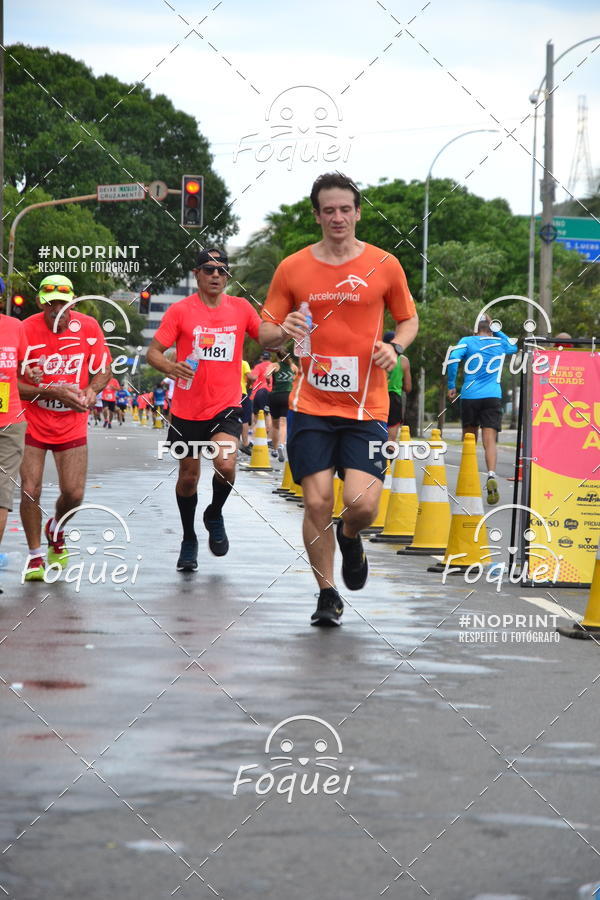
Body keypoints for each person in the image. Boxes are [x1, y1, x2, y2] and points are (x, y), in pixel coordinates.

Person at [259, 172, 418, 626]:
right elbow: (266, 329)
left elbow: (408, 320)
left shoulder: (384, 264)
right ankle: (327, 594)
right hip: (310, 405)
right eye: (328, 210)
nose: (337, 217)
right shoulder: (292, 267)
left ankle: (350, 536)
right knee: (315, 502)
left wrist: (396, 346)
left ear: (358, 212)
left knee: (363, 504)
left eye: (345, 209)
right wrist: (281, 330)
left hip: (367, 407)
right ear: (317, 215)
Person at [146, 248, 261, 572]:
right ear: (196, 274)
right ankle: (188, 538)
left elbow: (264, 334)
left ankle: (214, 512)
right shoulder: (181, 311)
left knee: (225, 464)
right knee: (188, 478)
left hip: (226, 403)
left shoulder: (240, 308)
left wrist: (288, 330)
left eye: (222, 270)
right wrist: (170, 366)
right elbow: (153, 352)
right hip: (186, 408)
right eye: (209, 269)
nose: (216, 275)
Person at [18, 275, 111, 581]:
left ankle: (55, 527)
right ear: (40, 303)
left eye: (63, 303)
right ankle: (34, 558)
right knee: (30, 489)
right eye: (51, 303)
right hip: (32, 419)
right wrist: (48, 391)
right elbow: (12, 383)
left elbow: (103, 369)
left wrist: (93, 390)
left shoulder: (88, 327)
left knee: (74, 493)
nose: (57, 309)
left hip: (72, 422)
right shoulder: (25, 330)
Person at [446, 313, 518, 505]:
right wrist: (498, 330)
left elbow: (453, 359)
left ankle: (468, 480)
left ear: (475, 329)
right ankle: (491, 474)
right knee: (490, 441)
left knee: (469, 439)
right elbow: (514, 347)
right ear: (491, 330)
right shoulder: (498, 343)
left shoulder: (467, 340)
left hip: (470, 397)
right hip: (492, 396)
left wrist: (451, 384)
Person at [0, 278, 28, 589]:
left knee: (1, 494)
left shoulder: (14, 328)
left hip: (8, 421)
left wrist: (30, 373)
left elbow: (23, 368)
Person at [267, 348, 298, 460]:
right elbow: (298, 379)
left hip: (275, 395)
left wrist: (268, 381)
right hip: (288, 396)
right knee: (284, 422)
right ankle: (281, 444)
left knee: (275, 425)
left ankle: (275, 450)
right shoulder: (293, 367)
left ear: (278, 356)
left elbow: (267, 375)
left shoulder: (275, 365)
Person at [383, 330, 412, 441]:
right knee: (391, 436)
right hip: (394, 398)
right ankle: (388, 457)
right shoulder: (404, 361)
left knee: (375, 433)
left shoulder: (376, 358)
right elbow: (408, 388)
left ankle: (374, 457)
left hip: (377, 397)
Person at [240, 358, 253, 455]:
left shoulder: (227, 363)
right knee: (245, 419)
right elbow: (251, 377)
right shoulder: (244, 363)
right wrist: (249, 385)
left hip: (227, 394)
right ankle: (245, 443)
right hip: (241, 392)